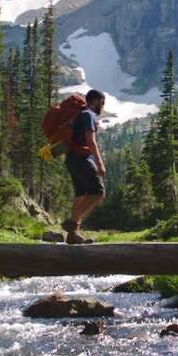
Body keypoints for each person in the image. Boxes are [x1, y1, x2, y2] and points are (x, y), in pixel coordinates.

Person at [61, 89, 108, 245]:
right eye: (102, 102)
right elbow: (91, 141)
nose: (102, 106)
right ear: (94, 101)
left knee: (81, 195)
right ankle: (72, 222)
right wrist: (100, 164)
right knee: (98, 192)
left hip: (71, 158)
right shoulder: (88, 114)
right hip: (81, 159)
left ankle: (72, 235)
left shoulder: (82, 114)